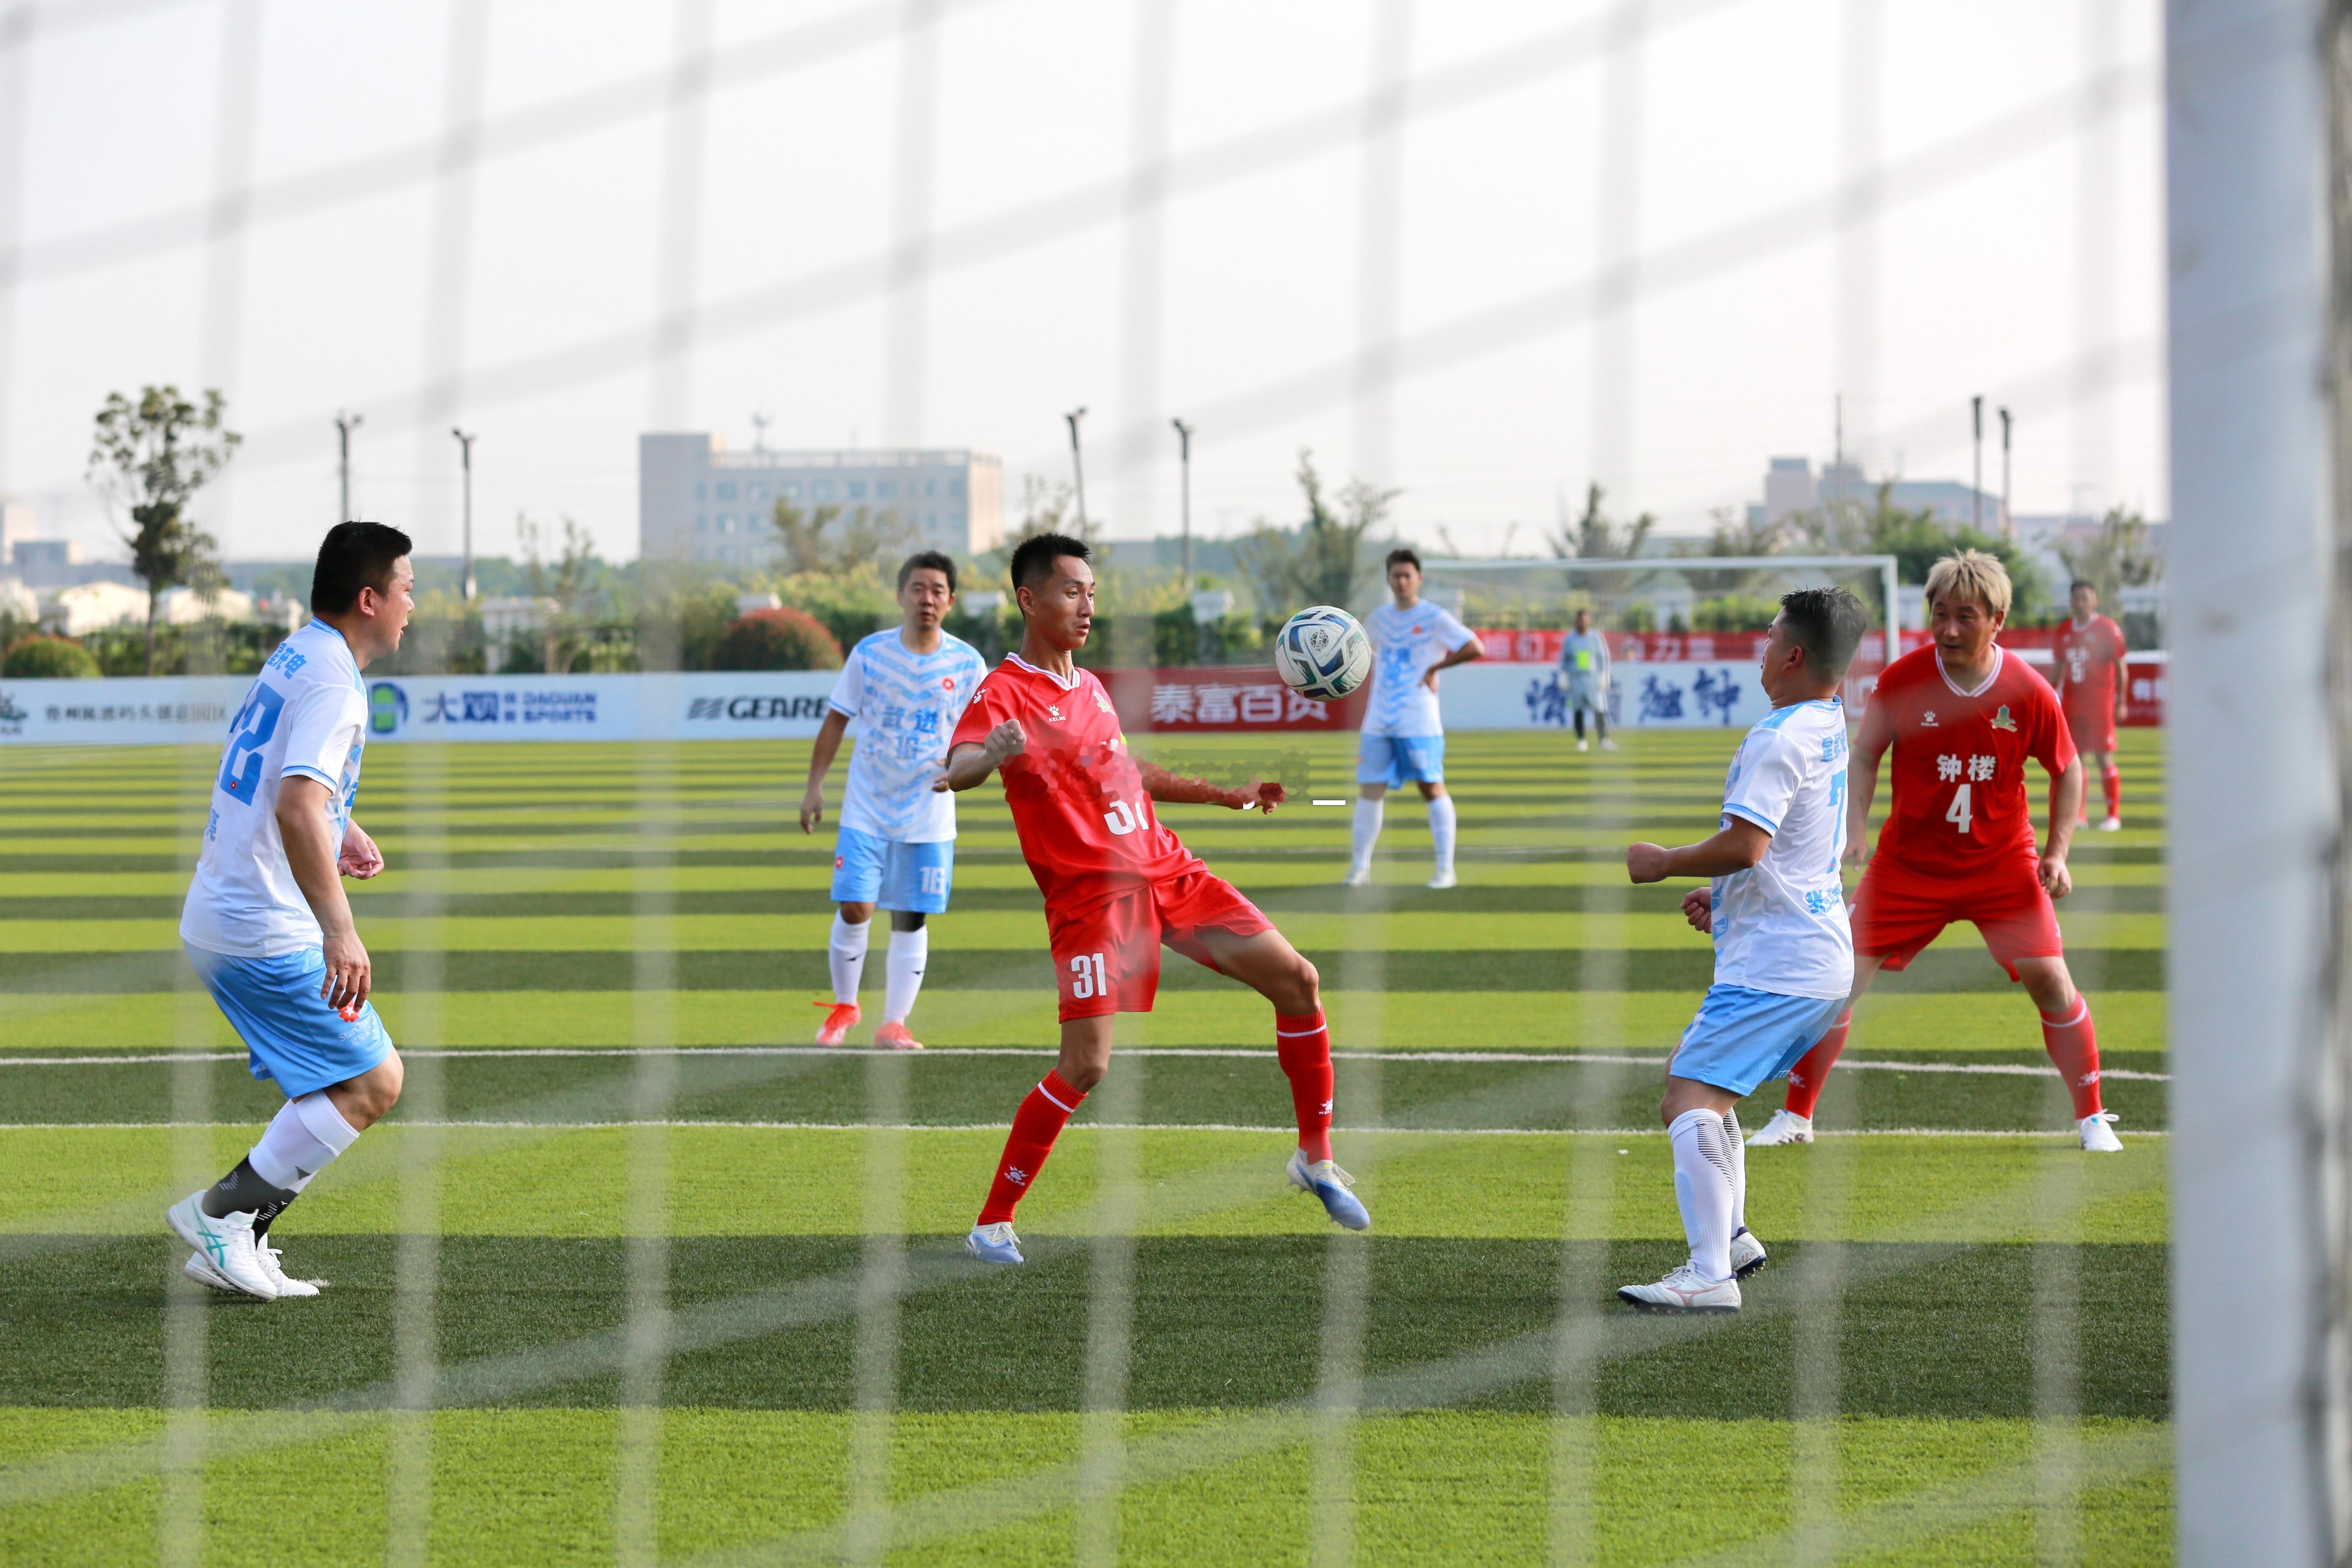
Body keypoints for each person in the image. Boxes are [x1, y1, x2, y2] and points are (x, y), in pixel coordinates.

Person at [941, 533, 1368, 1264]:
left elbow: (1127, 772)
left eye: (1091, 592)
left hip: (1166, 871)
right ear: (1028, 599)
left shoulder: (1089, 686)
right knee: (1086, 1065)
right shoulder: (1001, 690)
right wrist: (991, 755)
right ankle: (991, 1221)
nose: (1086, 605)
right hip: (1092, 899)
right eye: (1071, 591)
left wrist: (1226, 794)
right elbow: (955, 769)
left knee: (1297, 979)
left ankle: (1315, 1157)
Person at [1747, 551, 2121, 1154]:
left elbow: (2067, 769)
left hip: (2001, 865)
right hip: (1908, 866)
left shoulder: (2027, 690)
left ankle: (2092, 1117)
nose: (1947, 629)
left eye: (1964, 617)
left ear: (1996, 620)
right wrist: (1855, 828)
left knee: (2052, 982)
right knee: (1838, 979)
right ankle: (1796, 1116)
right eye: (1938, 614)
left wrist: (2056, 853)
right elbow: (1864, 753)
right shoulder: (1903, 680)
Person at [167, 521, 414, 1300]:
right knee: (373, 1081)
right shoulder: (336, 680)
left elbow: (287, 779)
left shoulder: (300, 652)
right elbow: (296, 804)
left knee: (331, 1084)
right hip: (261, 925)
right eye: (406, 589)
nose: (412, 606)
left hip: (227, 911)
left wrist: (344, 824)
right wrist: (341, 929)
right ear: (370, 598)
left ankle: (239, 1233)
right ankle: (220, 1216)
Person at [1617, 587, 1869, 1313]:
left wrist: (1665, 862)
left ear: (1792, 655)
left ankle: (1707, 1274)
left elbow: (1748, 844)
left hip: (1779, 964)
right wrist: (1725, 897)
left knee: (1686, 1096)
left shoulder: (1777, 736)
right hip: (1812, 953)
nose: (1761, 649)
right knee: (1696, 1074)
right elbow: (1793, 846)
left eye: (1769, 637)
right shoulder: (1828, 719)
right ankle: (1729, 1239)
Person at [799, 551, 987, 1050]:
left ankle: (894, 1023)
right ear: (901, 595)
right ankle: (845, 1007)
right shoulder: (869, 654)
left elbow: (978, 732)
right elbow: (836, 719)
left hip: (928, 813)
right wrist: (815, 785)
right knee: (856, 907)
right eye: (917, 588)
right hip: (867, 806)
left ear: (950, 601)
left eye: (937, 590)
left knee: (910, 916)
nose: (927, 598)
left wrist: (962, 764)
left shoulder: (967, 663)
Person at [1346, 547, 1483, 890]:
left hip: (1419, 718)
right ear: (1389, 579)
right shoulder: (1377, 619)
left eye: (1408, 575)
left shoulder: (1435, 617)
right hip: (1378, 718)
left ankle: (1445, 869)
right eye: (1396, 575)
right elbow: (1356, 655)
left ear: (1419, 578)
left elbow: (1474, 646)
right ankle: (1360, 868)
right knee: (1370, 790)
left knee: (1431, 787)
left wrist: (1435, 667)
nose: (1402, 581)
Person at [2054, 579, 2128, 832]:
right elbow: (2058, 669)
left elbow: (2121, 668)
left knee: (2103, 757)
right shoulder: (2064, 631)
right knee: (2077, 759)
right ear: (2071, 601)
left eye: (2086, 598)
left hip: (2100, 705)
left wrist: (2121, 701)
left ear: (2095, 600)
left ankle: (2113, 816)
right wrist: (2050, 697)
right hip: (2072, 705)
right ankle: (2080, 815)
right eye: (2077, 598)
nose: (2081, 603)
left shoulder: (2108, 629)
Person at [1558, 607, 1614, 751]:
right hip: (1576, 678)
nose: (1582, 623)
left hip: (1592, 679)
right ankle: (1581, 739)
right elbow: (1565, 658)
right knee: (1578, 709)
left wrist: (1604, 675)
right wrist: (1563, 675)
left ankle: (1603, 739)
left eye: (1585, 620)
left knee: (1599, 709)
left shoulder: (1595, 638)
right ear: (1576, 621)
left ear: (1589, 621)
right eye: (1580, 620)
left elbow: (1602, 657)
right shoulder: (1570, 639)